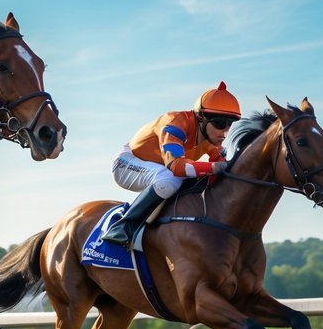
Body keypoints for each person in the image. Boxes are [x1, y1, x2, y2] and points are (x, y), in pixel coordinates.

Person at [101, 81, 241, 246]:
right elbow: (176, 167)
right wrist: (213, 167)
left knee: (194, 181)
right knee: (169, 179)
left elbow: (221, 170)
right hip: (127, 164)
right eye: (219, 123)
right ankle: (124, 226)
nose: (224, 131)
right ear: (201, 117)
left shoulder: (212, 139)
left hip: (157, 169)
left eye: (229, 124)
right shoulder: (174, 123)